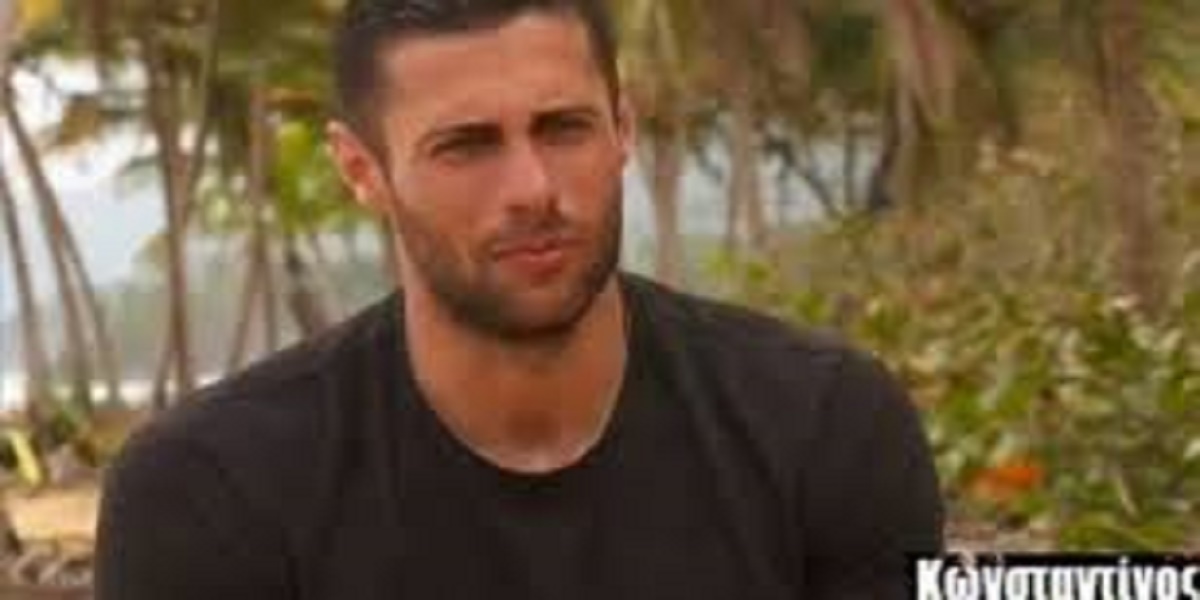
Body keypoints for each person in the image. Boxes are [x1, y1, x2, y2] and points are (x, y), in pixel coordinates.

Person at [94, 0, 944, 598]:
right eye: (466, 146)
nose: (533, 188)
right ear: (362, 170)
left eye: (563, 128)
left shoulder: (821, 425)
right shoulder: (214, 489)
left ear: (623, 128)